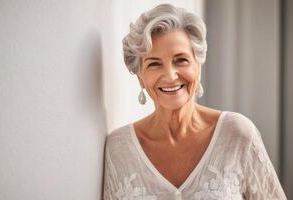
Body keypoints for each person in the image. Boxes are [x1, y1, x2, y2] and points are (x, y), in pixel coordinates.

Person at [102, 4, 287, 200]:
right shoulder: (119, 148)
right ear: (141, 78)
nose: (171, 76)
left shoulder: (237, 133)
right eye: (154, 64)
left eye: (180, 60)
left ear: (197, 67)